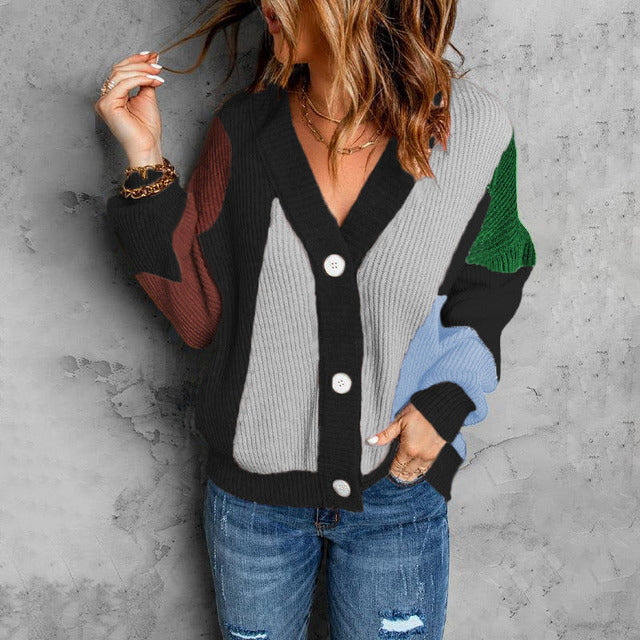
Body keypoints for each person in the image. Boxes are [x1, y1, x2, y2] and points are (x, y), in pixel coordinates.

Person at [94, 1, 536, 638]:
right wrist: (144, 159)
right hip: (255, 508)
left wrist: (446, 403)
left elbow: (493, 279)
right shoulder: (244, 130)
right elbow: (200, 317)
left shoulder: (474, 130)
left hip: (397, 493)